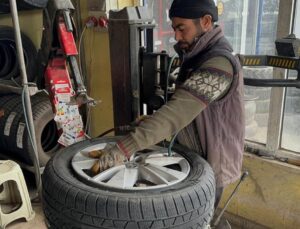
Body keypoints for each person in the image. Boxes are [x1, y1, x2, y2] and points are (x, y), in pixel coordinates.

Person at [90, 0, 245, 220]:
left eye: (182, 28)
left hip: (213, 163)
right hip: (193, 154)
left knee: (197, 220)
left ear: (206, 22)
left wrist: (123, 149)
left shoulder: (219, 64)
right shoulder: (196, 57)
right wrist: (153, 122)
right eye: (174, 29)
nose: (177, 36)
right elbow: (186, 110)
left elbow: (178, 113)